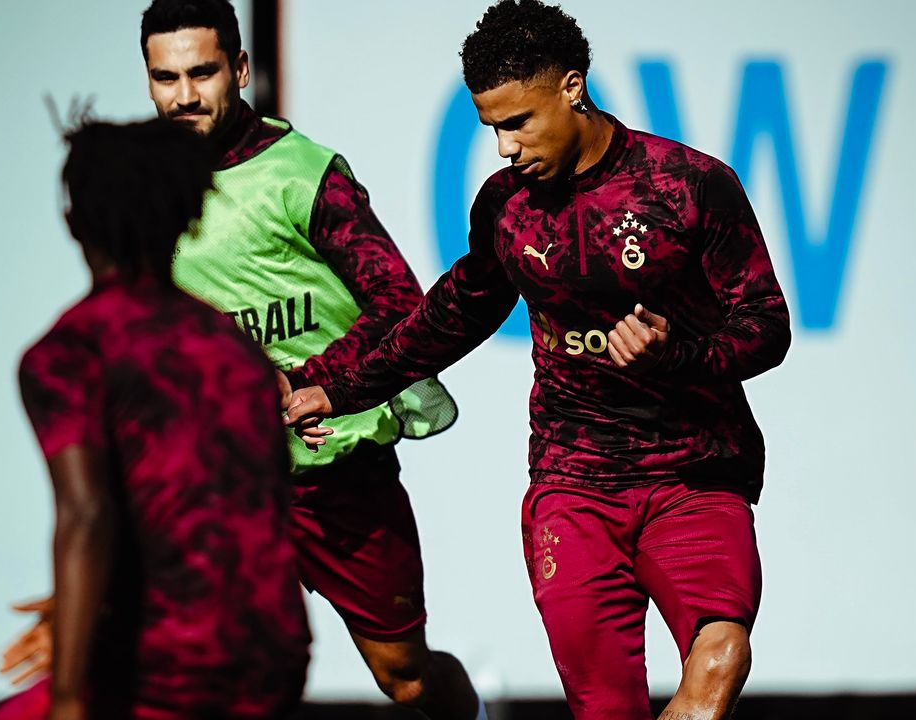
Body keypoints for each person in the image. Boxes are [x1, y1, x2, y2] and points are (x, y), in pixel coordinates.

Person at [285, 1, 792, 718]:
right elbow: (450, 315)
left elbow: (767, 326)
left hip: (693, 473)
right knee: (606, 710)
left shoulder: (689, 185)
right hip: (572, 483)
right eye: (492, 127)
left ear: (572, 88)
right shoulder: (505, 206)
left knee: (720, 661)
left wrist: (674, 355)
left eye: (518, 122)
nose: (504, 147)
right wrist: (338, 389)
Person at [3, 2, 483, 718]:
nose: (184, 95)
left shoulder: (302, 173)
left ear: (241, 69)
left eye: (201, 73)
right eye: (165, 78)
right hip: (215, 484)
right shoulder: (147, 184)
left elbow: (399, 304)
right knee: (197, 660)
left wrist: (310, 381)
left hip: (334, 468)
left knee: (406, 677)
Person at [16, 117, 309, 720]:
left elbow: (87, 515)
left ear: (74, 223)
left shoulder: (71, 351)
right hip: (275, 649)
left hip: (167, 661)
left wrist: (67, 696)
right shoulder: (236, 350)